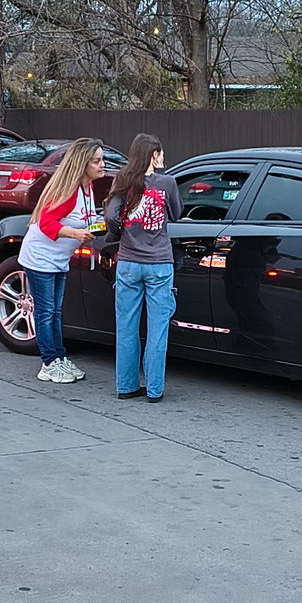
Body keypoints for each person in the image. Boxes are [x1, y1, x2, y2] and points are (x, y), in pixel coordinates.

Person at [18, 137, 105, 383]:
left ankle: (59, 357)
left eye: (102, 160)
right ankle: (48, 363)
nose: (102, 165)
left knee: (55, 312)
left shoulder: (87, 189)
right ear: (82, 164)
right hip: (40, 258)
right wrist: (75, 234)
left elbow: (85, 219)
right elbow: (46, 222)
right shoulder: (69, 192)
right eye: (96, 161)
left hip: (58, 260)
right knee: (46, 313)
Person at [104, 133, 183, 402]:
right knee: (157, 330)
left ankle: (126, 387)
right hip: (159, 263)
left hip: (128, 263)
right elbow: (176, 213)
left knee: (126, 327)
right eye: (160, 153)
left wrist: (121, 234)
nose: (163, 158)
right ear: (154, 155)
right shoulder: (167, 183)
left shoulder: (123, 181)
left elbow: (112, 217)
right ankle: (154, 390)